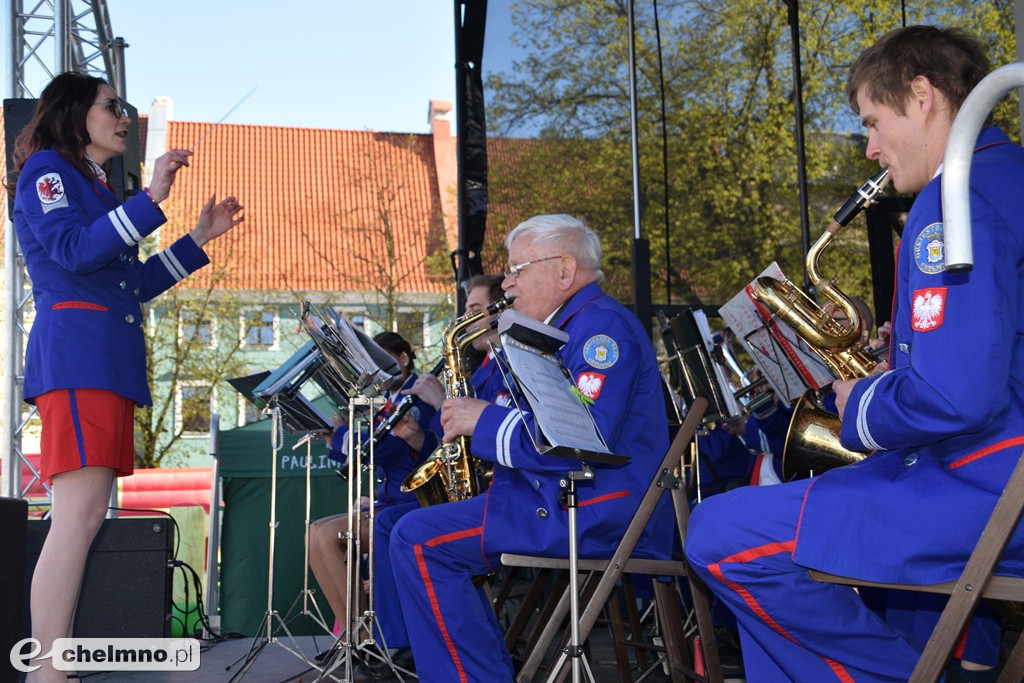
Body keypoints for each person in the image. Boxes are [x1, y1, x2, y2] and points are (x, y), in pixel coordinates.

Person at [685, 25, 1024, 681]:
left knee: (720, 535)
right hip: (996, 476)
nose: (869, 147)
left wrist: (859, 399)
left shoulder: (957, 200)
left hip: (986, 485)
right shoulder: (1008, 177)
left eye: (873, 121)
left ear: (921, 96)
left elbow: (955, 397)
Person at [8, 72, 244, 682]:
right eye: (112, 106)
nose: (123, 116)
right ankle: (47, 669)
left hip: (103, 361)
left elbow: (130, 283)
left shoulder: (93, 186)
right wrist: (151, 199)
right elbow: (76, 252)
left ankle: (52, 667)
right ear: (74, 113)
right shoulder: (47, 172)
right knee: (76, 518)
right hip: (80, 358)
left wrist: (196, 238)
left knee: (84, 518)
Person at [388, 213, 672, 682]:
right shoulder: (566, 326)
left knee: (420, 540)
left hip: (594, 506)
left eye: (518, 269)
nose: (506, 281)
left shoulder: (601, 329)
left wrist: (484, 420)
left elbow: (583, 435)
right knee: (406, 527)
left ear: (564, 270)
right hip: (560, 497)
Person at [308, 331, 437, 652]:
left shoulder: (417, 395)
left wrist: (340, 433)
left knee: (327, 537)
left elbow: (380, 448)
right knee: (314, 532)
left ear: (404, 358)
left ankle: (369, 638)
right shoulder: (393, 399)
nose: (374, 372)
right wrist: (332, 437)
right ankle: (352, 636)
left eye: (381, 361)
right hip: (392, 500)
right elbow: (363, 452)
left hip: (416, 503)